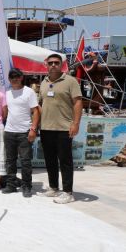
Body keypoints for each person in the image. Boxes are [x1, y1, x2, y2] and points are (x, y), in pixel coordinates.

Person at [38, 53, 82, 204]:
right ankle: (53, 187)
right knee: (50, 160)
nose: (53, 65)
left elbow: (77, 103)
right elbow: (40, 105)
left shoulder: (70, 81)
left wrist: (75, 123)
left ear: (61, 64)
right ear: (46, 65)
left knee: (65, 161)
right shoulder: (43, 82)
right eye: (50, 63)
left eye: (56, 62)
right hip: (45, 127)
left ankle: (68, 192)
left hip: (64, 127)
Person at [2, 68, 39, 197]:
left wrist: (33, 129)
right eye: (12, 77)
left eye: (17, 76)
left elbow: (36, 111)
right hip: (9, 131)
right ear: (9, 79)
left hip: (24, 132)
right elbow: (5, 112)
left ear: (21, 77)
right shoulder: (7, 93)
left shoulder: (29, 92)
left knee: (25, 161)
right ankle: (11, 185)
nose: (14, 79)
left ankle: (27, 186)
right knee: (10, 161)